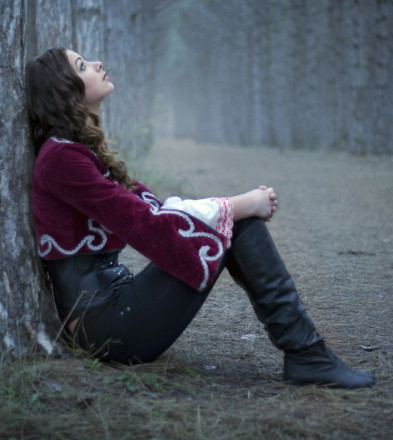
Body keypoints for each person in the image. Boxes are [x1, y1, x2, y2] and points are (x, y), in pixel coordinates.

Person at [25, 46, 375, 389]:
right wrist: (240, 206)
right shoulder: (62, 159)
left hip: (111, 311)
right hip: (104, 329)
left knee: (232, 221)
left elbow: (157, 211)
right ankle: (308, 355)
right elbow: (148, 226)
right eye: (83, 65)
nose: (98, 64)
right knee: (236, 223)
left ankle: (308, 354)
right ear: (65, 90)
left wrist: (234, 206)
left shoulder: (74, 153)